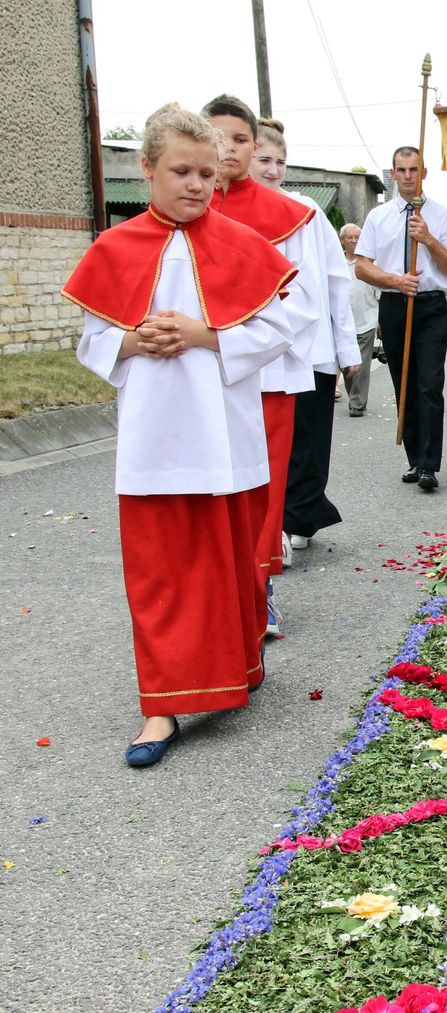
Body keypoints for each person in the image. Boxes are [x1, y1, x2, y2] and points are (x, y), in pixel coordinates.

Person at [63, 103, 296, 766]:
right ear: (147, 169)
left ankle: (234, 670)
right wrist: (131, 340)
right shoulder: (115, 248)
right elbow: (91, 340)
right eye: (180, 171)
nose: (196, 184)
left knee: (229, 567)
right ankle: (160, 707)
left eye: (205, 173)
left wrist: (204, 334)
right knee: (159, 573)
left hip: (226, 438)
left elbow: (278, 330)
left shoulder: (244, 247)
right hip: (155, 440)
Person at [202, 94, 319, 637]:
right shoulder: (187, 204)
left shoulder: (291, 216)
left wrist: (230, 338)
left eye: (241, 139)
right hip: (196, 378)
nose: (228, 149)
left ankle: (260, 593)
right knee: (206, 493)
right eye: (217, 136)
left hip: (266, 373)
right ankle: (214, 599)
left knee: (262, 492)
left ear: (256, 146)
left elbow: (304, 301)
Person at [250, 118, 360, 569]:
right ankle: (272, 524)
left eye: (280, 161)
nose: (273, 170)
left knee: (309, 440)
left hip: (311, 345)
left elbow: (335, 281)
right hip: (256, 352)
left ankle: (298, 518)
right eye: (264, 160)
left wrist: (346, 348)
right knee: (270, 442)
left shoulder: (306, 212)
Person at [355, 146, 447, 491]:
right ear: (393, 174)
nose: (407, 176)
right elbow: (362, 266)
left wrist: (428, 238)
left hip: (430, 305)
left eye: (413, 169)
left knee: (429, 383)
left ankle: (430, 466)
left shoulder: (443, 216)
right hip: (395, 303)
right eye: (400, 170)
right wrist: (395, 281)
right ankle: (415, 459)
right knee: (403, 382)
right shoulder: (378, 217)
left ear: (423, 173)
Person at [339, 223, 380, 416]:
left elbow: (379, 293)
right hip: (342, 324)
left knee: (361, 367)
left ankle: (357, 403)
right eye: (350, 238)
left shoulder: (370, 264)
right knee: (347, 366)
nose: (354, 241)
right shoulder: (336, 262)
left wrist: (380, 322)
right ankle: (352, 395)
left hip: (366, 322)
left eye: (358, 238)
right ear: (342, 240)